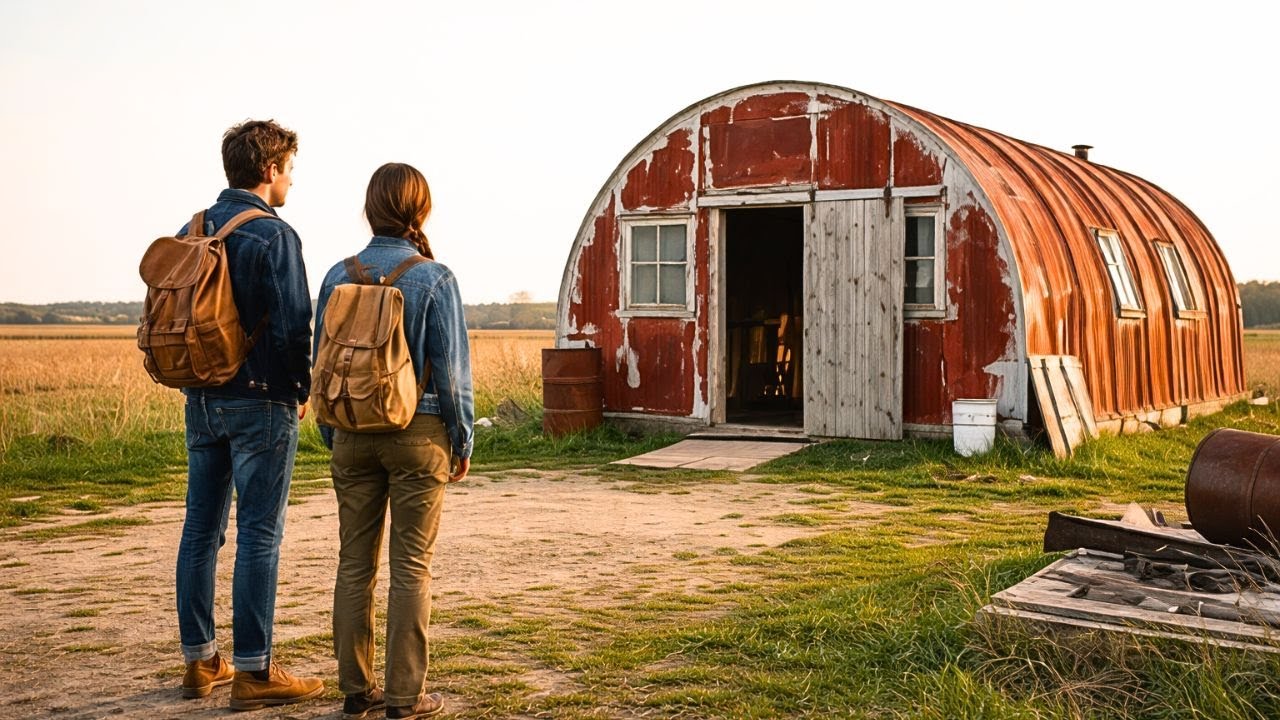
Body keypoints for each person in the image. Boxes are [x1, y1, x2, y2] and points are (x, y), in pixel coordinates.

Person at [315, 162, 474, 720]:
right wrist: (463, 439)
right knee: (411, 566)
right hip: (418, 432)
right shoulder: (435, 278)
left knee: (353, 564)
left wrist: (332, 433)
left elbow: (322, 366)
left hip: (352, 435)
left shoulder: (337, 276)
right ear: (420, 210)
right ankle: (406, 698)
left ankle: (356, 691)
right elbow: (452, 375)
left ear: (370, 208)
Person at [176, 119, 323, 710]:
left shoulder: (191, 229)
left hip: (200, 398)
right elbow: (293, 327)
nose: (292, 180)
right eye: (289, 168)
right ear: (270, 169)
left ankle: (200, 660)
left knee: (200, 530)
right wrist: (300, 387)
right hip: (262, 400)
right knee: (260, 534)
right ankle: (256, 672)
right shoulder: (273, 235)